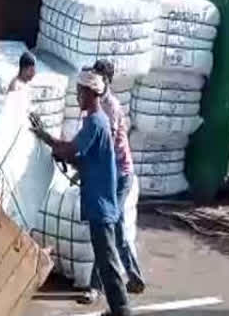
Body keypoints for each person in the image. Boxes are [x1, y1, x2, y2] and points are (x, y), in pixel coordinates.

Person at [31, 70, 131, 316]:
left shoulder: (96, 121)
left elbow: (70, 149)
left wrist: (45, 136)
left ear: (89, 93)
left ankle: (123, 310)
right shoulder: (96, 121)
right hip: (99, 201)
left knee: (107, 262)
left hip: (101, 204)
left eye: (80, 92)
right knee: (105, 259)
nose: (77, 97)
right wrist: (66, 156)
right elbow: (82, 158)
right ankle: (117, 308)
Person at [92, 59, 146, 295]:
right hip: (108, 173)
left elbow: (109, 145)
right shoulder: (92, 104)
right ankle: (133, 277)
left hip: (121, 174)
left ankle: (96, 285)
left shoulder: (111, 107)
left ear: (107, 80)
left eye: (99, 76)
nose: (95, 80)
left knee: (107, 223)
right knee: (113, 226)